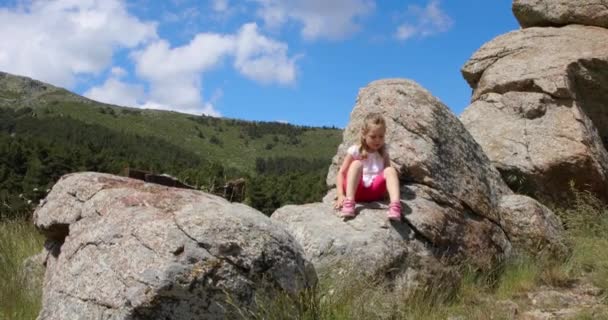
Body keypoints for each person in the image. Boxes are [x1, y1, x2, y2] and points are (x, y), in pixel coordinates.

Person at [334, 112, 402, 221]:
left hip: (374, 192)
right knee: (356, 164)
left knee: (390, 170)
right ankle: (349, 203)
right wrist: (340, 194)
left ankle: (395, 206)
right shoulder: (355, 150)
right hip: (356, 190)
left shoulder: (383, 153)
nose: (378, 140)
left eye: (381, 136)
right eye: (373, 136)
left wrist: (386, 192)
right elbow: (342, 172)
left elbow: (387, 175)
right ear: (364, 135)